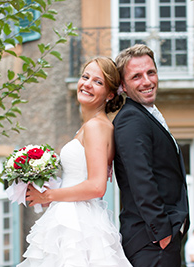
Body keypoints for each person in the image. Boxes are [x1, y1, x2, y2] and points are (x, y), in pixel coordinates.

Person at [18, 57, 132, 267]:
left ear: (109, 94)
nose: (87, 84)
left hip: (78, 223)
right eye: (85, 77)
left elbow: (97, 186)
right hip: (73, 214)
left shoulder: (96, 127)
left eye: (98, 82)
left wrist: (48, 195)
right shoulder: (91, 126)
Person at [113, 44, 190, 267]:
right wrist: (162, 232)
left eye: (151, 72)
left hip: (157, 241)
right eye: (136, 76)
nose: (147, 81)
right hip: (151, 242)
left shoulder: (144, 115)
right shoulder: (131, 120)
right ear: (123, 86)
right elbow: (141, 179)